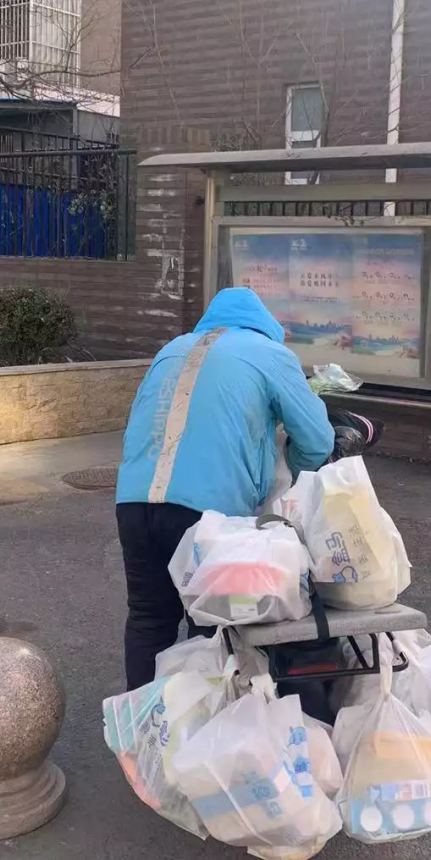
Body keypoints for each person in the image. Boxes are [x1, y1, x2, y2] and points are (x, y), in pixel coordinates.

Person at [115, 287, 335, 688]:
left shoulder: (172, 349)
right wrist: (288, 469)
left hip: (133, 500)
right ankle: (208, 720)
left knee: (149, 618)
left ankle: (142, 723)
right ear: (266, 325)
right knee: (212, 624)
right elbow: (318, 439)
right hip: (208, 512)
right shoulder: (269, 353)